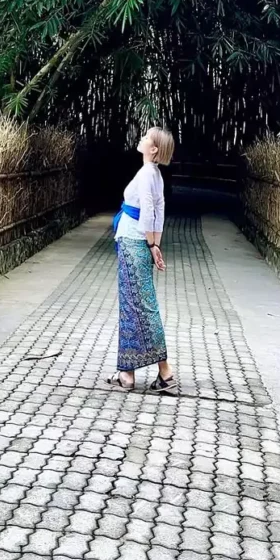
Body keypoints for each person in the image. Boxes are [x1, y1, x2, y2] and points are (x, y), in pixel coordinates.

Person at [109, 126, 176, 392]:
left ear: (154, 149)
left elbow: (149, 209)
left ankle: (164, 372)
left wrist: (151, 244)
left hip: (133, 241)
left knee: (138, 307)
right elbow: (158, 211)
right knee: (137, 306)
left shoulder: (148, 173)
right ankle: (128, 372)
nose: (142, 138)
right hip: (137, 241)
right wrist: (155, 244)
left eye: (147, 137)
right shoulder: (154, 174)